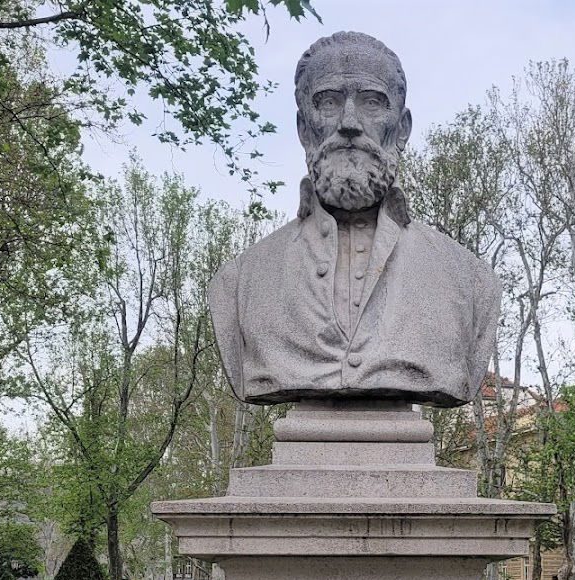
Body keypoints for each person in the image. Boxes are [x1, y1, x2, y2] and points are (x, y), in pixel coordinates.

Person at [208, 31, 499, 407]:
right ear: (303, 129)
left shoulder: (470, 281)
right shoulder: (239, 282)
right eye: (328, 102)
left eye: (372, 102)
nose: (349, 122)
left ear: (402, 128)